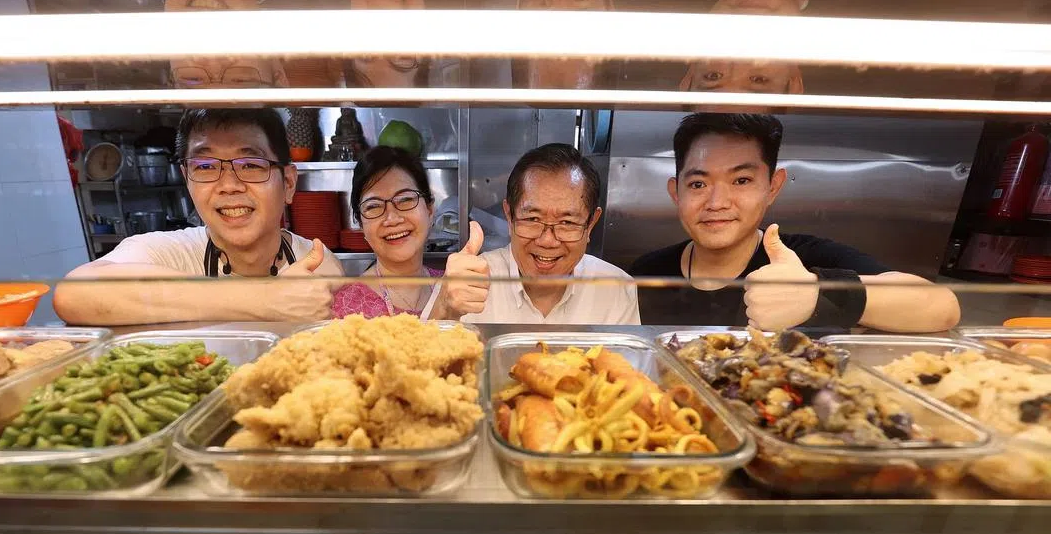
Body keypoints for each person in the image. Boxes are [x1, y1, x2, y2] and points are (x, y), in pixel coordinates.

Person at [631, 113, 960, 332]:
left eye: (742, 181)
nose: (717, 203)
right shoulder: (646, 271)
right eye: (698, 184)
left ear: (772, 187)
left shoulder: (807, 259)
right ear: (676, 192)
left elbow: (942, 306)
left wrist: (818, 293)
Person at [54, 108, 342, 326]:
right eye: (205, 166)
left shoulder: (315, 264)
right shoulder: (165, 252)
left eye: (252, 164)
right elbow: (74, 294)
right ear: (186, 178)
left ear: (289, 183)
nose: (229, 185)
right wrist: (267, 299)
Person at [431, 143, 638, 324]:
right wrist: (444, 310)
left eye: (567, 222)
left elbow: (625, 367)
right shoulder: (466, 282)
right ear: (509, 217)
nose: (547, 240)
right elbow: (422, 365)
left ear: (590, 224)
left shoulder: (616, 288)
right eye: (532, 219)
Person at [332, 146, 441, 318]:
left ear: (429, 209)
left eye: (405, 199)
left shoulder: (456, 291)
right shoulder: (345, 308)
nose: (392, 218)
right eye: (374, 206)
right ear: (361, 224)